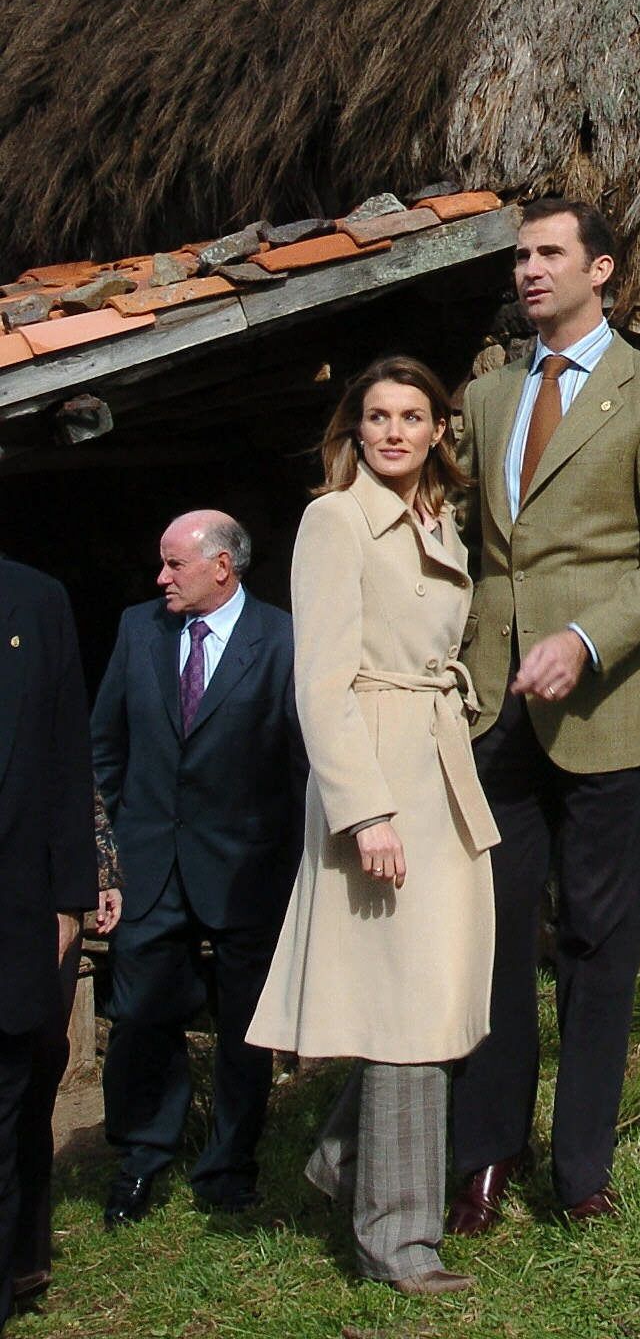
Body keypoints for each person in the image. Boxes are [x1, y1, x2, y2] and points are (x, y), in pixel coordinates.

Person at [448, 196, 640, 1234]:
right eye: (519, 255)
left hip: (610, 706)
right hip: (489, 708)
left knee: (599, 945)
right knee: (494, 941)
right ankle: (483, 1155)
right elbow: (459, 542)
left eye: (549, 253)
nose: (528, 269)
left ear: (602, 270)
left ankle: (581, 1169)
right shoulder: (483, 397)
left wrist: (587, 638)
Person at [248, 358, 498, 1298]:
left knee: (432, 994)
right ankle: (400, 1243)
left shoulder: (439, 521)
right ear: (354, 431)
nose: (393, 432)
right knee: (405, 1015)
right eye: (376, 418)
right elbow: (319, 681)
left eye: (412, 417)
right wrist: (364, 811)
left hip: (439, 762)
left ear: (439, 429)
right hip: (382, 774)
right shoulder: (336, 519)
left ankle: (342, 1160)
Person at [92, 511, 304, 1222]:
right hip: (151, 861)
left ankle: (228, 1167)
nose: (161, 578)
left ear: (223, 566)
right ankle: (141, 1159)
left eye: (174, 564)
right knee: (141, 1016)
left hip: (247, 866)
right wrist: (111, 854)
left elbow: (301, 761)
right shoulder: (137, 630)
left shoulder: (283, 640)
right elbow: (107, 747)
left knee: (245, 1023)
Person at [0, 554, 97, 1333]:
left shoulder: (37, 600)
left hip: (15, 909)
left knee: (10, 1099)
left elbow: (68, 756)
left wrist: (71, 895)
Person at [10, 795, 120, 1311]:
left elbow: (76, 782)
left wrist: (92, 881)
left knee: (35, 1065)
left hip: (39, 895)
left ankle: (24, 1250)